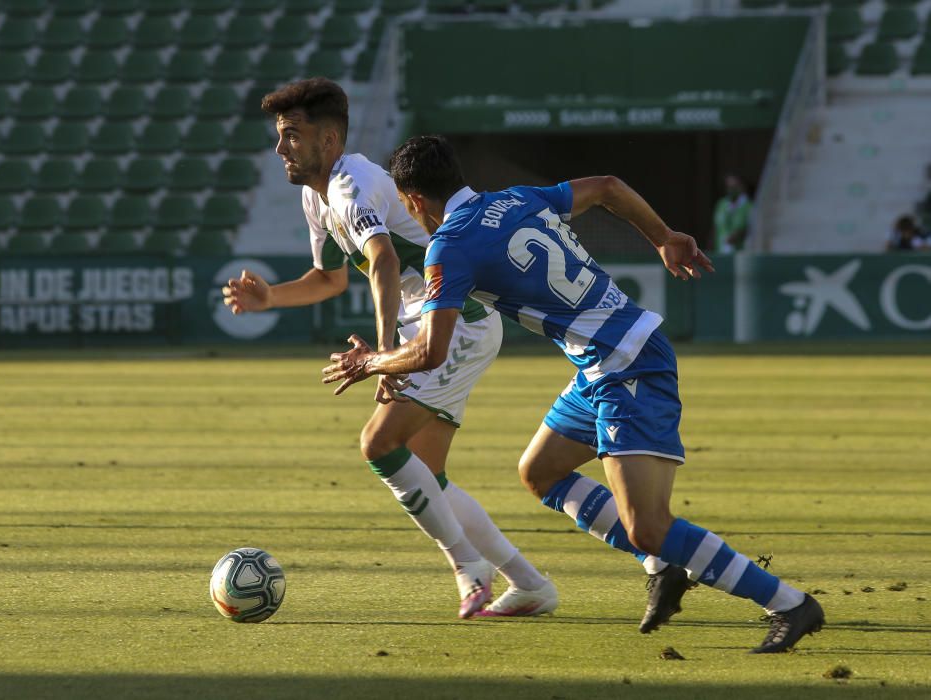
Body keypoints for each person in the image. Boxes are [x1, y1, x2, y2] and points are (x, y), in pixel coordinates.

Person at [323, 135, 826, 653]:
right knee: (540, 472)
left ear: (413, 202)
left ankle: (788, 603)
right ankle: (662, 569)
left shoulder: (449, 246)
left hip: (625, 365)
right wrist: (665, 236)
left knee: (648, 525)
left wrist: (370, 361)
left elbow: (429, 351)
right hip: (604, 360)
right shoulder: (514, 198)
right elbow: (608, 186)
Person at [220, 78, 557, 618]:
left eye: (291, 135)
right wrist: (270, 299)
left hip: (457, 320)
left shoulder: (352, 184)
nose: (280, 147)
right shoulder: (317, 195)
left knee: (378, 445)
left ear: (328, 142)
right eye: (279, 136)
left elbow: (383, 261)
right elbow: (328, 280)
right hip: (438, 323)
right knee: (429, 475)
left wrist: (381, 357)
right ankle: (530, 583)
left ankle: (468, 566)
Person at [712, 174, 750, 253]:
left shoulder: (749, 206)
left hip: (740, 254)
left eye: (734, 186)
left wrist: (736, 236)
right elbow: (715, 228)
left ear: (741, 186)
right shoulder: (721, 204)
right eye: (728, 187)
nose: (730, 190)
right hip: (720, 251)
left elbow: (748, 229)